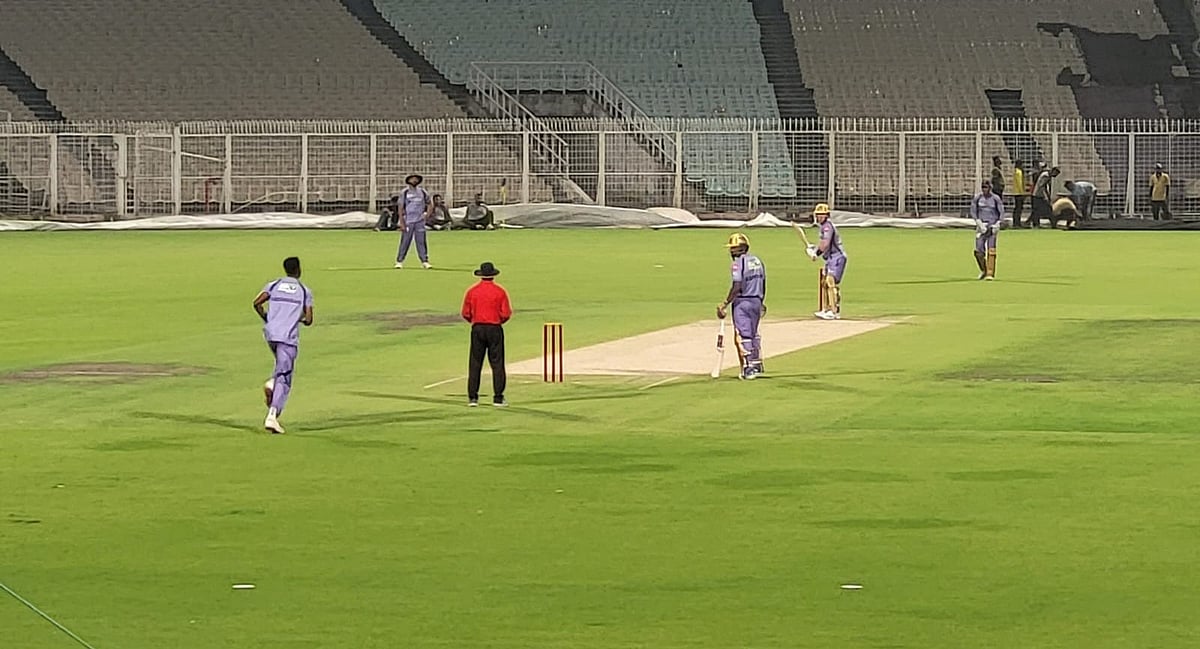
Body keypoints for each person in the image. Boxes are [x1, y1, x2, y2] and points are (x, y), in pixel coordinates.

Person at [252, 257, 314, 434]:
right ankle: (272, 415)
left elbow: (257, 303)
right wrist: (298, 318)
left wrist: (267, 318)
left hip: (271, 334)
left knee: (281, 366)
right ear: (299, 269)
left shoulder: (274, 284)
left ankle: (273, 384)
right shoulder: (304, 291)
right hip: (288, 337)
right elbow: (309, 319)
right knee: (284, 377)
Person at [461, 261, 512, 407]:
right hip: (495, 328)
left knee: (475, 363)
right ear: (493, 275)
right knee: (497, 363)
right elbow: (506, 313)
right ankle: (498, 397)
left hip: (477, 328)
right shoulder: (500, 291)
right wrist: (498, 321)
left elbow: (465, 313)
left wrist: (474, 320)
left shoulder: (472, 291)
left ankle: (473, 398)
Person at [716, 233, 766, 380]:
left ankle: (748, 368)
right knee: (753, 333)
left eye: (733, 248)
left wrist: (725, 303)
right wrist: (761, 300)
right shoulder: (757, 261)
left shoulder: (738, 264)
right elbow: (763, 282)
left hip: (742, 301)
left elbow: (737, 285)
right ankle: (757, 363)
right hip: (756, 300)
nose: (731, 251)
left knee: (742, 335)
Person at [807, 202, 847, 319]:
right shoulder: (823, 227)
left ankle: (834, 311)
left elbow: (826, 243)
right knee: (825, 283)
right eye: (818, 215)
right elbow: (822, 244)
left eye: (821, 215)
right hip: (830, 258)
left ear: (826, 215)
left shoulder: (827, 227)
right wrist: (814, 248)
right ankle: (827, 309)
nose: (819, 217)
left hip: (837, 257)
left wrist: (816, 253)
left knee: (830, 282)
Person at [395, 174, 433, 269]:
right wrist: (402, 222)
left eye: (416, 179)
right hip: (408, 220)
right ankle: (400, 261)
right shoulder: (405, 192)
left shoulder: (422, 192)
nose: (414, 180)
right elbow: (400, 207)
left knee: (421, 241)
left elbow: (429, 204)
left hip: (419, 221)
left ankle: (424, 261)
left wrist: (427, 215)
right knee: (405, 241)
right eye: (412, 179)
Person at [970, 180, 1005, 280]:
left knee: (991, 249)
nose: (985, 189)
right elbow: (973, 211)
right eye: (983, 187)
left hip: (992, 226)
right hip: (982, 226)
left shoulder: (995, 198)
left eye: (987, 187)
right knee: (978, 251)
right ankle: (983, 269)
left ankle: (990, 273)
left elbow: (1001, 212)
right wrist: (978, 222)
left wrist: (998, 223)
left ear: (990, 188)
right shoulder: (978, 198)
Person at [1011, 159, 1028, 227]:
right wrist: (1023, 193)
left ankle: (1016, 222)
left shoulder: (1015, 171)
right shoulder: (1019, 172)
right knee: (1019, 208)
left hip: (1016, 192)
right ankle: (1017, 223)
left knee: (1017, 208)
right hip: (1019, 193)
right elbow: (1019, 183)